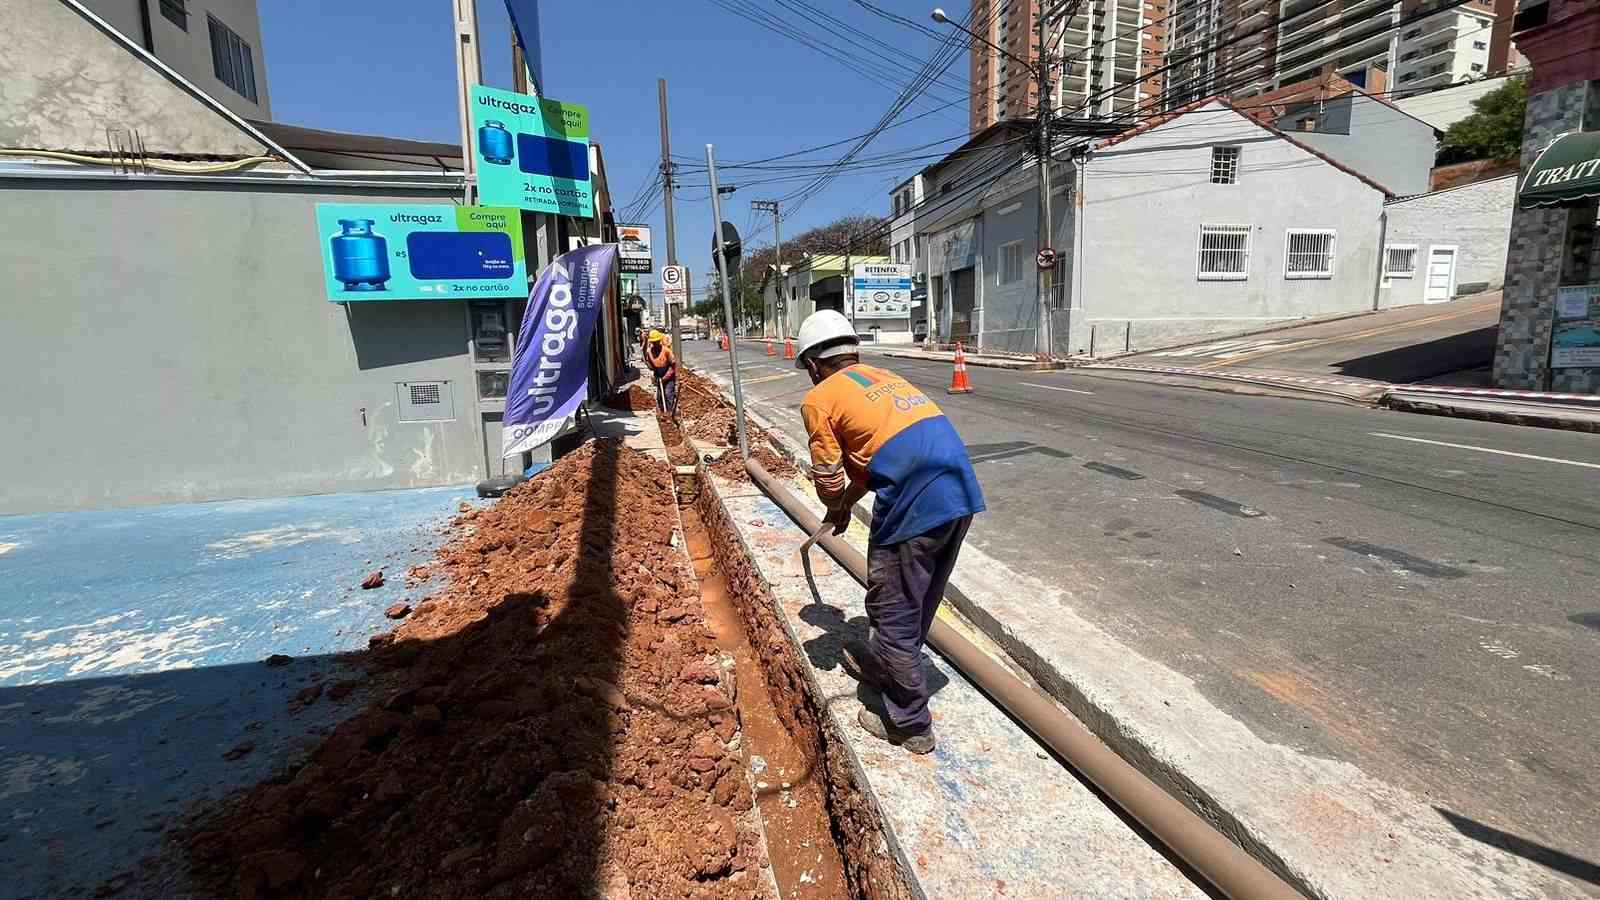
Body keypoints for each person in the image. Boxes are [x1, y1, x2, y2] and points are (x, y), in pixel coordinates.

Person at [793, 310, 984, 754]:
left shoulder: (820, 398)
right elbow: (872, 455)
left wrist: (832, 503)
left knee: (893, 608)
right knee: (919, 597)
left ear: (812, 365)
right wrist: (844, 509)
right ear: (852, 351)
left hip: (915, 500)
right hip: (958, 493)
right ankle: (890, 667)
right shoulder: (882, 377)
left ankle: (909, 721)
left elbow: (828, 474)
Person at [646, 329, 678, 416]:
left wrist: (666, 377)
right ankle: (662, 414)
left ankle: (670, 413)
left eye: (656, 341)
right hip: (658, 374)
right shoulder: (649, 352)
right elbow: (650, 364)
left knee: (668, 394)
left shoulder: (666, 351)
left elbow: (673, 365)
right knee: (660, 397)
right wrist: (655, 374)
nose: (655, 344)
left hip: (668, 374)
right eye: (653, 342)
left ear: (659, 340)